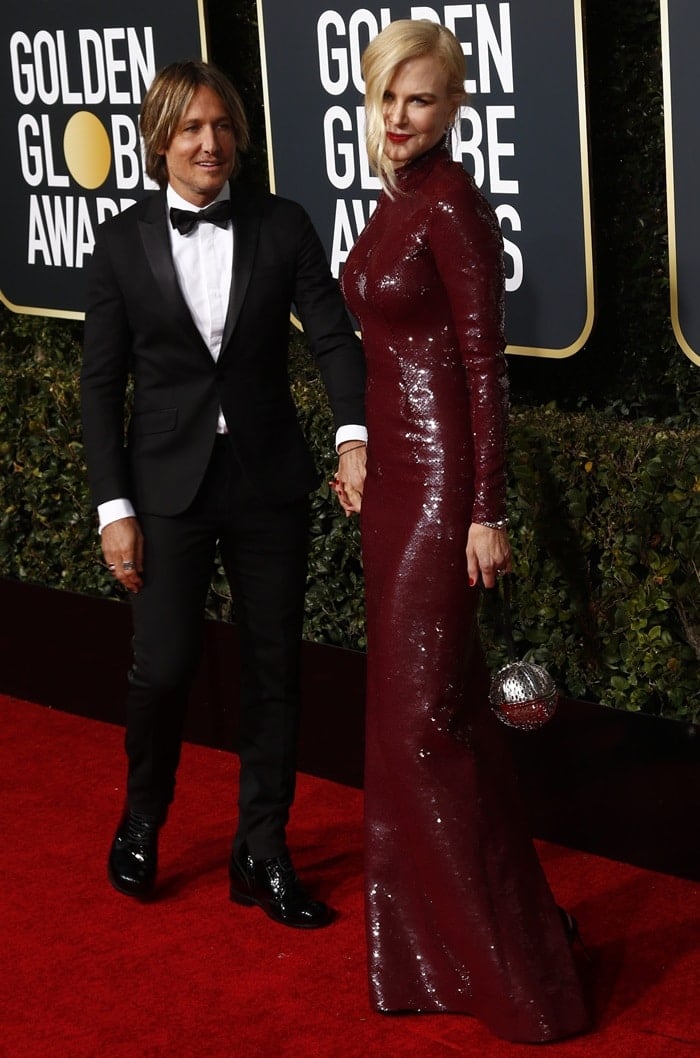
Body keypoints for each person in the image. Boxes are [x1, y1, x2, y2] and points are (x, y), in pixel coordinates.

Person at [338, 20, 591, 1042]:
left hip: (443, 491)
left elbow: (486, 370)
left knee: (427, 726)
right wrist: (357, 446)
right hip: (391, 483)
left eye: (423, 101)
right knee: (415, 725)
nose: (403, 118)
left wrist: (486, 507)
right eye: (390, 98)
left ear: (453, 108)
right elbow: (385, 342)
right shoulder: (396, 195)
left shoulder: (451, 204)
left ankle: (518, 979)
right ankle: (428, 961)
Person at [81, 59, 367, 929]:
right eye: (193, 128)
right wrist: (114, 509)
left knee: (275, 667)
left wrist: (352, 437)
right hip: (166, 488)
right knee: (162, 665)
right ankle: (142, 817)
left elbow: (333, 338)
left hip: (268, 483)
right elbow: (101, 387)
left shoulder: (284, 225)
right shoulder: (122, 243)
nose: (211, 143)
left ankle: (263, 850)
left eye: (223, 127)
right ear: (160, 139)